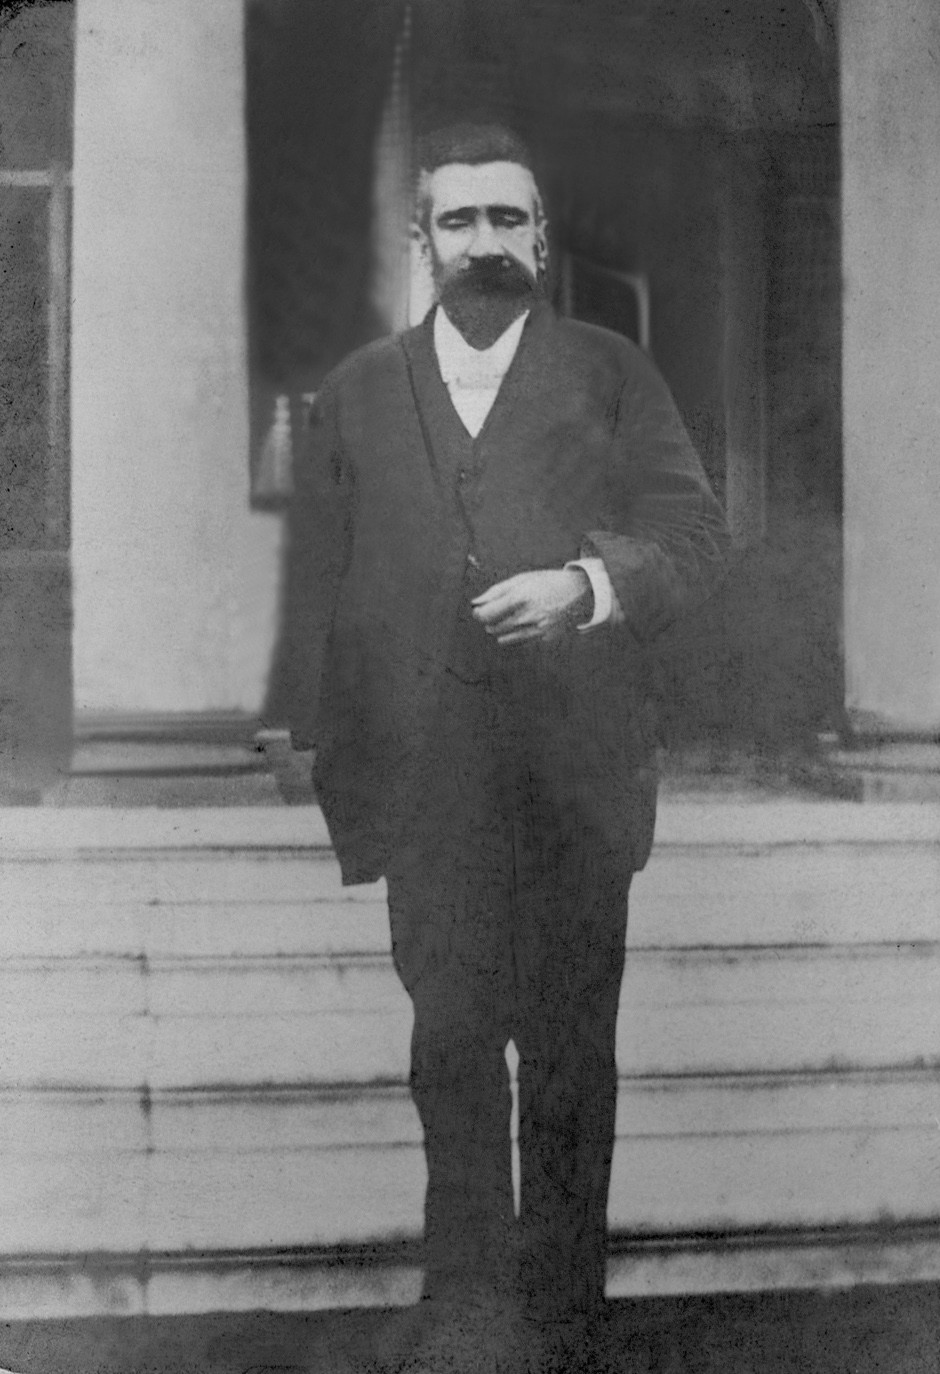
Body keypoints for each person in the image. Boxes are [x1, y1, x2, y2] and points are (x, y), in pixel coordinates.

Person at [276, 123, 729, 1367]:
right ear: (421, 241)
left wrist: (589, 586)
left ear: (541, 236)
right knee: (451, 1049)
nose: (485, 243)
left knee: (571, 1059)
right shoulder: (361, 389)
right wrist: (320, 744)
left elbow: (695, 535)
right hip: (431, 789)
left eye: (507, 220)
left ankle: (566, 1322)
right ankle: (468, 1316)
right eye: (460, 221)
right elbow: (324, 578)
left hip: (574, 782)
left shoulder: (611, 373)